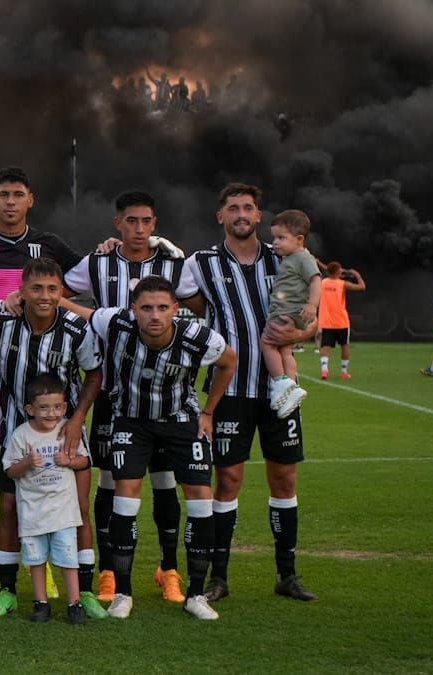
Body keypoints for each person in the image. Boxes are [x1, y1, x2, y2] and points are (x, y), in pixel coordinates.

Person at [177, 182, 320, 603]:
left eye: (249, 208)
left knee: (284, 476)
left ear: (259, 216)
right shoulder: (199, 263)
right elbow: (196, 307)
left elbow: (312, 320)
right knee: (230, 479)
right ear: (220, 216)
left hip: (279, 390)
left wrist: (300, 329)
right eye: (233, 207)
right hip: (232, 389)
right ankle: (219, 577)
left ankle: (286, 574)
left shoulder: (286, 257)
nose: (241, 213)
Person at [0, 166, 82, 602]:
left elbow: (88, 283)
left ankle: (53, 567)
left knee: (51, 467)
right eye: (3, 194)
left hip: (42, 382)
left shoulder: (51, 247)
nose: (10, 201)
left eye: (18, 194)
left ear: (31, 199)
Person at [75, 275, 237, 620]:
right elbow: (80, 312)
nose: (154, 316)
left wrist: (208, 411)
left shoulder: (198, 337)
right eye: (146, 308)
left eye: (163, 308)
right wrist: (50, 299)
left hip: (181, 422)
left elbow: (229, 362)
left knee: (200, 500)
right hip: (131, 421)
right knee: (125, 497)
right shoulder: (115, 323)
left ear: (175, 310)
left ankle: (196, 594)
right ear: (133, 309)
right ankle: (122, 593)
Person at [0, 258, 104, 619]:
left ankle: (84, 592)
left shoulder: (76, 328)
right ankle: (8, 590)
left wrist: (78, 419)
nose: (44, 296)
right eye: (36, 288)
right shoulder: (0, 318)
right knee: (9, 509)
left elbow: (94, 374)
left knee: (79, 511)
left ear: (61, 292)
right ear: (22, 290)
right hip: (15, 434)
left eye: (52, 289)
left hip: (66, 435)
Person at [63, 190, 187, 605]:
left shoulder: (174, 263)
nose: (139, 229)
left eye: (146, 221)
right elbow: (54, 291)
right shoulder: (97, 262)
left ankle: (168, 569)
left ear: (155, 224)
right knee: (110, 481)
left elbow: (197, 307)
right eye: (131, 221)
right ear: (118, 224)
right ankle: (110, 572)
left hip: (167, 394)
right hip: (113, 393)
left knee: (164, 481)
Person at [3, 374, 93, 625]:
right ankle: (41, 603)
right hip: (32, 512)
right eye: (43, 408)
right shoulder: (21, 435)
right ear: (30, 409)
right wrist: (27, 463)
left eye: (56, 407)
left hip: (63, 511)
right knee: (36, 559)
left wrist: (70, 462)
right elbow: (9, 470)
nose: (50, 413)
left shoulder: (67, 431)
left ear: (64, 407)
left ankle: (74, 604)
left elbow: (85, 461)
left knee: (67, 558)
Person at [260, 210, 321, 418]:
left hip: (287, 311)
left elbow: (315, 280)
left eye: (281, 238)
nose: (275, 243)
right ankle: (292, 389)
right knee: (285, 351)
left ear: (299, 239)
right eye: (274, 238)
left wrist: (313, 305)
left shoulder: (302, 257)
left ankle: (279, 382)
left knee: (267, 344)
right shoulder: (292, 257)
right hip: (291, 312)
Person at [318, 262, 366, 380]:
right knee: (344, 346)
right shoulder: (342, 284)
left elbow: (329, 270)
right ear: (338, 272)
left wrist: (319, 263)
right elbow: (362, 287)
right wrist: (358, 276)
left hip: (326, 321)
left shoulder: (322, 283)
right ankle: (344, 372)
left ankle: (324, 370)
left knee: (325, 346)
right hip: (341, 321)